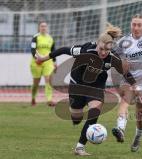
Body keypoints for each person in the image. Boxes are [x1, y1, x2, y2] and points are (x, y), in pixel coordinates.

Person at [35, 23, 134, 156]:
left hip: (96, 86)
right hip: (78, 85)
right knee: (76, 117)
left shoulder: (113, 57)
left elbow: (124, 72)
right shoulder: (86, 49)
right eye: (101, 49)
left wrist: (135, 85)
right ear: (97, 44)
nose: (104, 53)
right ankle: (76, 118)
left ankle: (80, 147)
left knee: (95, 111)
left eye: (107, 50)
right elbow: (64, 50)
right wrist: (43, 58)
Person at [111, 14, 142, 152]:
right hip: (129, 80)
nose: (136, 27)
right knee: (125, 100)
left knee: (140, 116)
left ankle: (138, 137)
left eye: (139, 25)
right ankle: (120, 129)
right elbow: (114, 56)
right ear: (130, 25)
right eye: (134, 24)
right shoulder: (124, 41)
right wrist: (122, 64)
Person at [30, 21, 57, 106]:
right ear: (39, 27)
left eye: (45, 26)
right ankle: (33, 98)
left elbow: (53, 51)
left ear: (47, 27)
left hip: (48, 62)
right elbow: (32, 50)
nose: (43, 28)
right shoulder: (35, 37)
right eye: (42, 26)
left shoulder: (50, 38)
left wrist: (55, 62)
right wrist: (36, 58)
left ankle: (49, 100)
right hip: (36, 62)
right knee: (36, 83)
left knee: (48, 80)